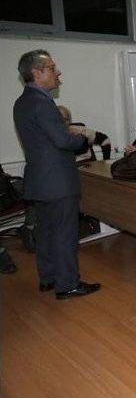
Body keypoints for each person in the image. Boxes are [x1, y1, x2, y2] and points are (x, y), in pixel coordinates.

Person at [13, 49, 100, 299]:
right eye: (52, 67)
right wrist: (81, 137)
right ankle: (68, 285)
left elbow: (45, 138)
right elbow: (62, 141)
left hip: (40, 181)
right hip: (58, 182)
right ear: (37, 73)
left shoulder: (22, 102)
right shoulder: (42, 102)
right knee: (65, 234)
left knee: (46, 232)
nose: (57, 71)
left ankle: (48, 278)